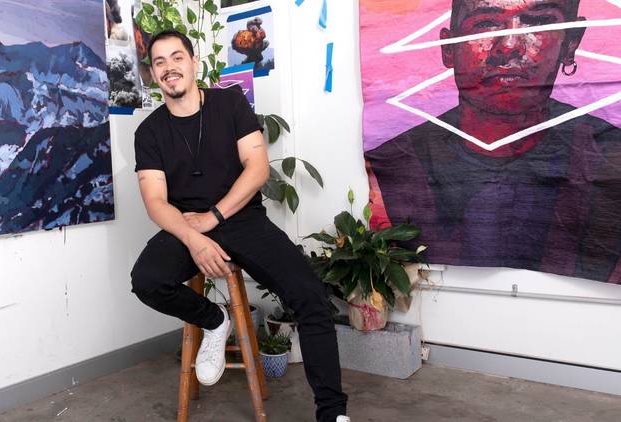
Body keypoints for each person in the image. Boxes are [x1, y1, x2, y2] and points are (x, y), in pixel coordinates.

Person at [130, 30, 350, 422]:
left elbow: (258, 167)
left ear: (193, 62)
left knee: (310, 297)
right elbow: (156, 202)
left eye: (176, 57)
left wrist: (214, 217)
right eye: (159, 62)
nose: (169, 68)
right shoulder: (149, 132)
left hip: (241, 217)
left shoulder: (230, 103)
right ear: (153, 73)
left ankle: (332, 413)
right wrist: (193, 238)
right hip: (186, 224)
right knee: (147, 280)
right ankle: (215, 320)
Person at [365, 0, 621, 282]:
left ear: (570, 42)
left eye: (538, 22)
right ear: (448, 49)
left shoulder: (611, 157)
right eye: (485, 23)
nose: (510, 44)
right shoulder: (393, 168)